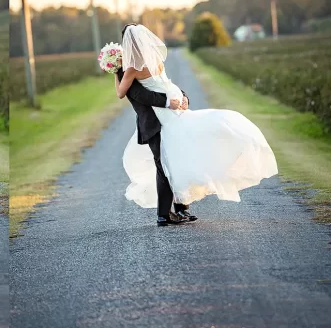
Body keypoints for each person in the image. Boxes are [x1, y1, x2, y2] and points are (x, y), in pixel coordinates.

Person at [116, 24, 279, 226]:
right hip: (174, 105)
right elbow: (164, 85)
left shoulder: (131, 69)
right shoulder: (156, 59)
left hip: (166, 113)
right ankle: (176, 209)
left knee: (167, 164)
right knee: (174, 159)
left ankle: (167, 213)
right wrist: (181, 97)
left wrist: (116, 71)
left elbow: (121, 92)